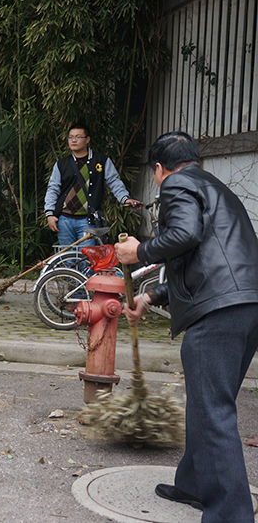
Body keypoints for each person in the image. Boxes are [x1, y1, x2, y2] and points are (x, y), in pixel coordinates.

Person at [115, 131, 258, 522]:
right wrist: (150, 297)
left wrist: (137, 251)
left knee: (212, 411)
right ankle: (194, 483)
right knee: (206, 401)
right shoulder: (216, 188)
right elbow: (202, 259)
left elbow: (183, 236)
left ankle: (231, 516)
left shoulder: (177, 183)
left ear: (159, 169)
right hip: (245, 306)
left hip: (217, 315)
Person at [45, 123, 141, 247]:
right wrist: (50, 214)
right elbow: (53, 188)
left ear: (87, 139)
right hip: (64, 219)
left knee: (86, 259)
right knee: (67, 259)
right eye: (71, 137)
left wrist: (125, 198)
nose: (73, 140)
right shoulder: (61, 164)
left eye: (78, 137)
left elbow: (114, 182)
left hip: (88, 220)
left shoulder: (101, 160)